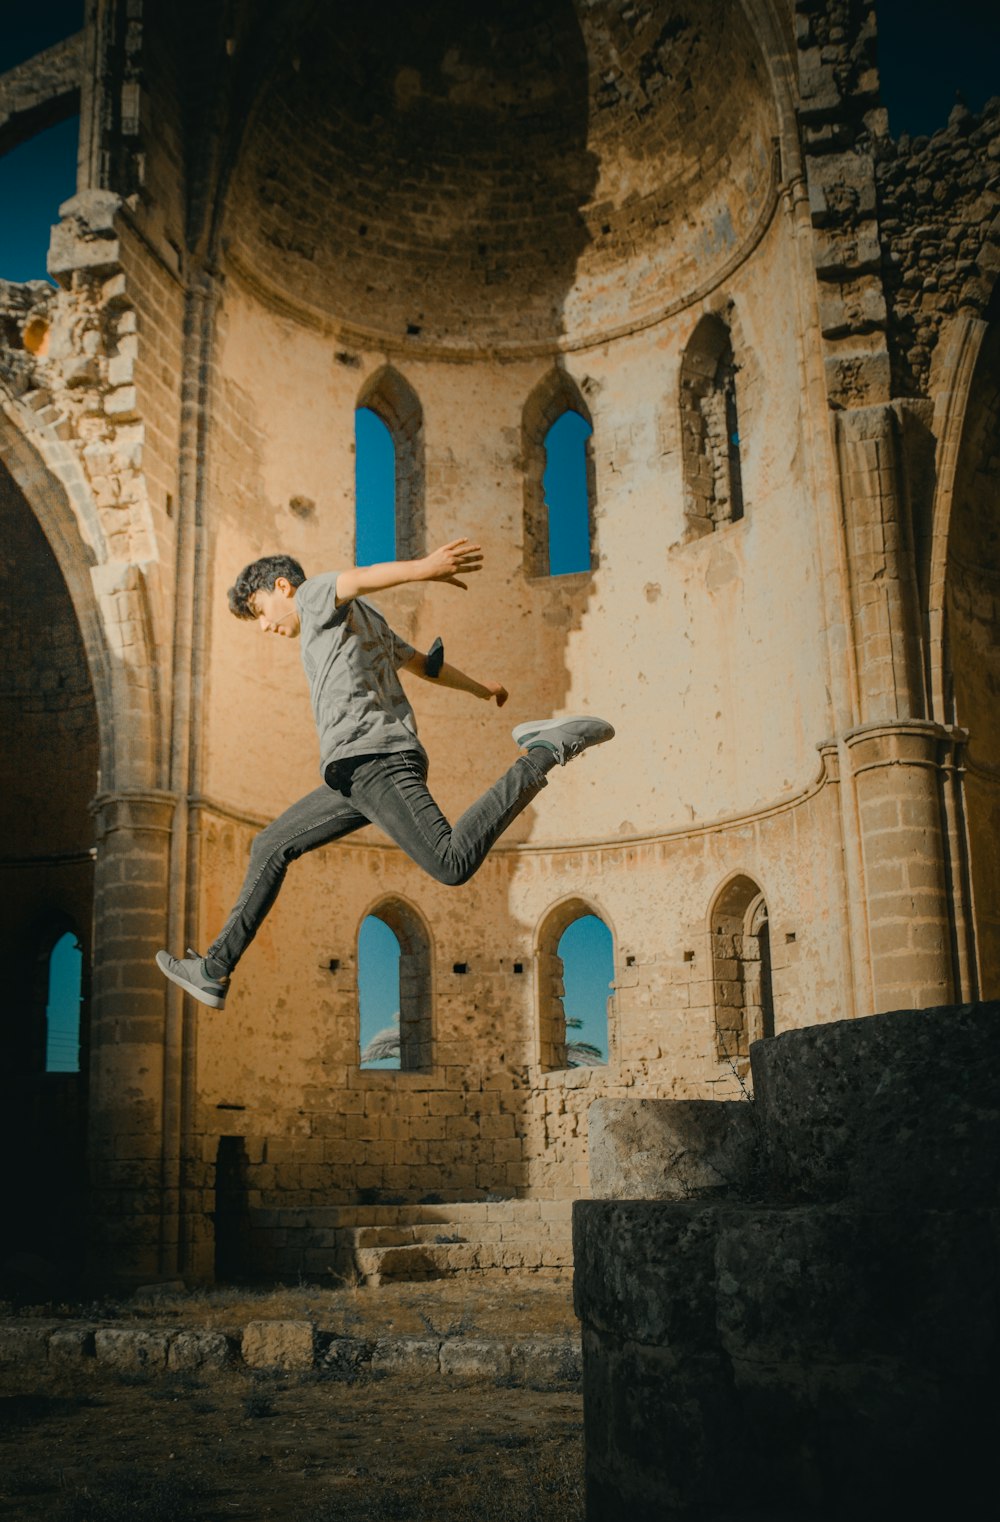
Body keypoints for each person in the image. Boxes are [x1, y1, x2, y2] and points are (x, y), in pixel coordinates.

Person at [156, 539, 614, 1010]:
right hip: (353, 778)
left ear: (282, 586)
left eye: (261, 610)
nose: (266, 625)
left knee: (451, 863)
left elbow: (356, 576)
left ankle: (543, 751)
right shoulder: (364, 621)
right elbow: (421, 664)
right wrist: (481, 688)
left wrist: (423, 568)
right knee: (270, 845)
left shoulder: (312, 596)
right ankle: (214, 969)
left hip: (378, 761)